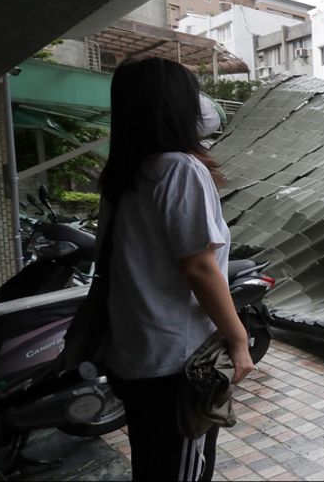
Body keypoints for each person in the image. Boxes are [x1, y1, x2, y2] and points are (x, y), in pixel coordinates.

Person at [98, 57, 253, 481]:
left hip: (133, 355)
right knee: (184, 471)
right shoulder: (180, 169)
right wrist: (238, 339)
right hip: (175, 364)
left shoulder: (126, 174)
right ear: (174, 107)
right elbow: (200, 266)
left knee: (153, 463)